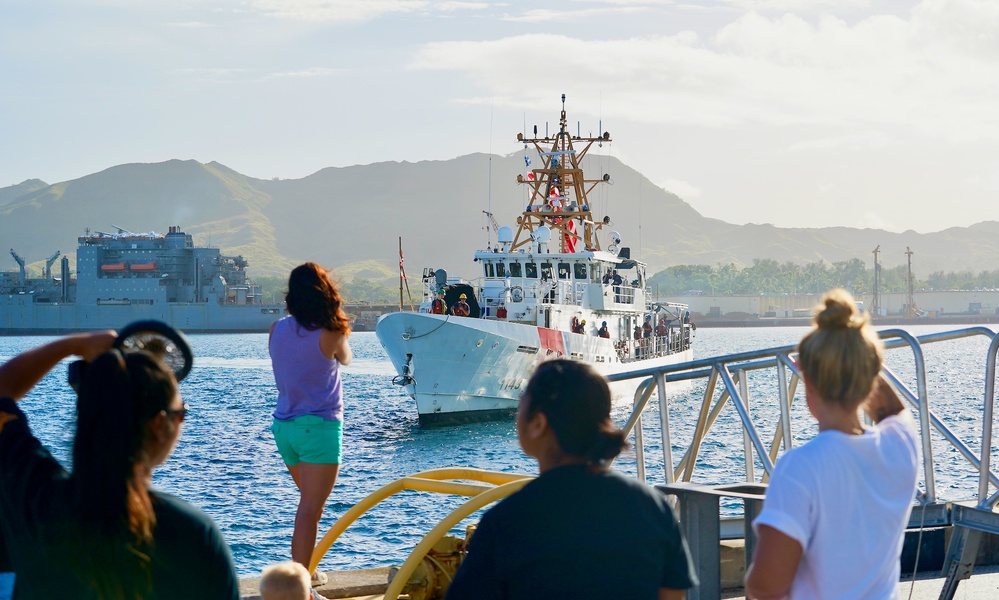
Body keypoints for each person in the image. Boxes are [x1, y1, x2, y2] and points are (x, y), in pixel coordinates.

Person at [0, 331, 240, 599]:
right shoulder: (193, 532)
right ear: (159, 424)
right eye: (181, 412)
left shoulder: (34, 499)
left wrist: (74, 344)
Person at [445, 360, 697, 600]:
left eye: (521, 403)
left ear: (538, 423)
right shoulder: (653, 507)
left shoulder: (506, 522)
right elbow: (673, 594)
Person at [744, 289, 919, 599]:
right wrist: (856, 357)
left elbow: (766, 585)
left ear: (808, 381)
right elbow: (893, 410)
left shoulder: (800, 468)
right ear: (869, 376)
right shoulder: (900, 446)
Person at [270, 263, 353, 581]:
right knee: (309, 511)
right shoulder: (330, 331)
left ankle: (308, 573)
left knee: (308, 505)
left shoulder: (276, 329)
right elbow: (345, 358)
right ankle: (300, 584)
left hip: (284, 429)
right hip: (317, 428)